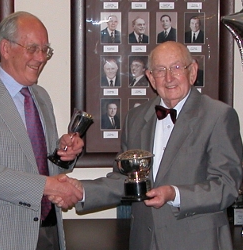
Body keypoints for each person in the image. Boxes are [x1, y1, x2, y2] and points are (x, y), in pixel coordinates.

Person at [52, 41, 243, 250]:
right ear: (151, 78)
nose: (169, 78)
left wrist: (175, 194)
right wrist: (83, 191)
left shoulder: (218, 116)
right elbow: (125, 180)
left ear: (193, 71)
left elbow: (227, 186)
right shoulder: (135, 118)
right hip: (145, 241)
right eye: (160, 70)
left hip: (199, 242)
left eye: (177, 67)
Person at [0, 11, 84, 250]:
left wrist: (65, 154)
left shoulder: (41, 97)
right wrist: (48, 185)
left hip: (49, 233)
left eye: (46, 50)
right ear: (5, 48)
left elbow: (46, 167)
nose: (41, 58)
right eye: (32, 48)